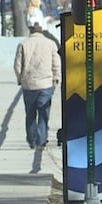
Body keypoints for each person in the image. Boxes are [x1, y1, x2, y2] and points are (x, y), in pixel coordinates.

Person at [14, 22, 61, 150]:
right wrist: (56, 78)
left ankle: (31, 139)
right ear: (41, 32)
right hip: (45, 84)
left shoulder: (23, 44)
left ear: (31, 31)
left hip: (29, 85)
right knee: (43, 113)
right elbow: (56, 63)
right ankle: (41, 140)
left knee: (30, 114)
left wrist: (20, 79)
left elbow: (18, 65)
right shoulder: (50, 44)